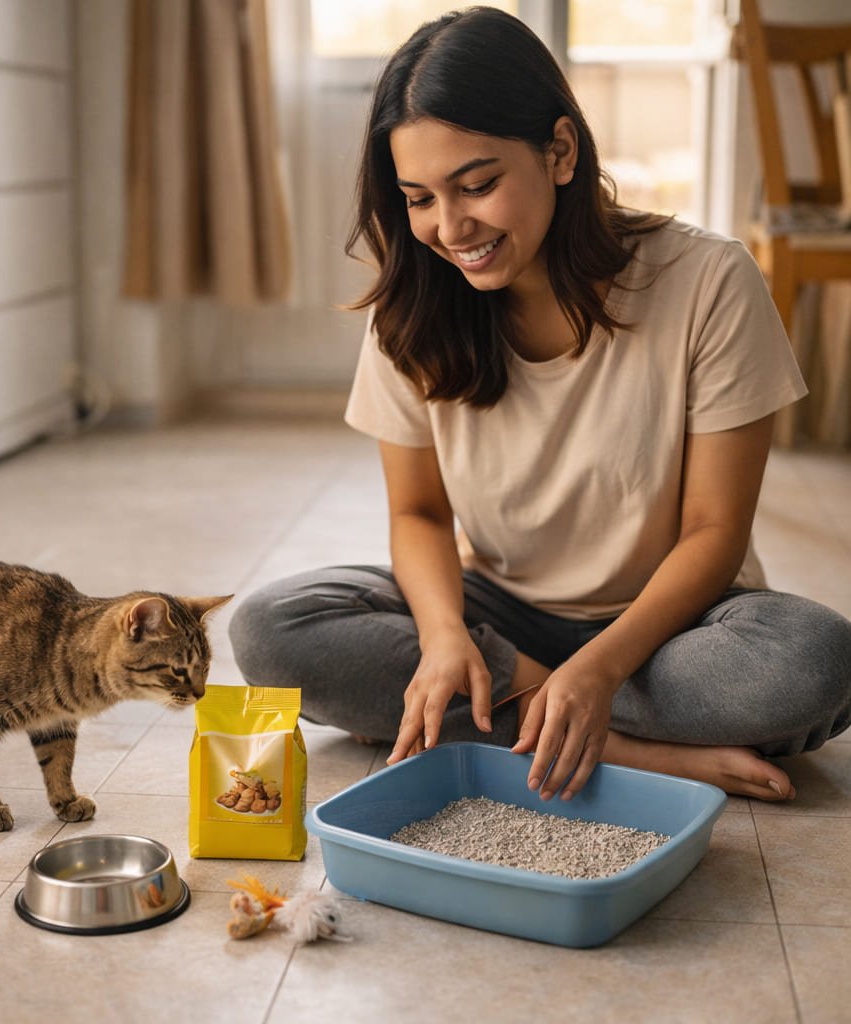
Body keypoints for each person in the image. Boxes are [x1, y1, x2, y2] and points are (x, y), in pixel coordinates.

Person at [228, 6, 851, 802]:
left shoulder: (709, 281)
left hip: (668, 627)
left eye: (477, 185)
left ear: (559, 151)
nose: (451, 228)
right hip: (500, 611)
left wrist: (599, 668)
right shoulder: (412, 310)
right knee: (272, 629)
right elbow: (419, 514)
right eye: (419, 198)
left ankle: (533, 714)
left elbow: (714, 532)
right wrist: (446, 635)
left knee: (812, 661)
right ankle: (627, 747)